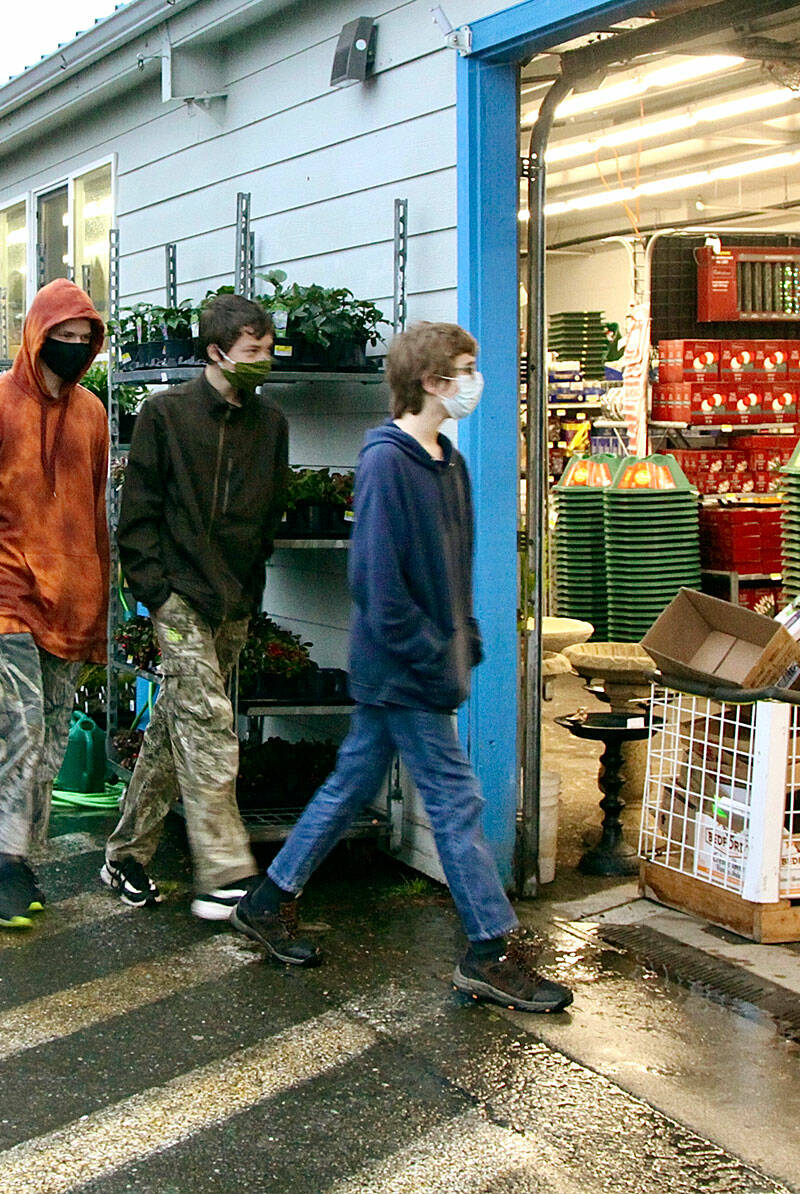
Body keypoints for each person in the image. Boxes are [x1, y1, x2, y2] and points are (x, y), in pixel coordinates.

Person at [229, 321, 573, 1015]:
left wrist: (466, 633)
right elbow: (376, 584)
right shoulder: (387, 462)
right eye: (465, 369)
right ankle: (490, 950)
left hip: (421, 664)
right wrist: (429, 652)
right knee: (456, 800)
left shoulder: (448, 459)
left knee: (351, 785)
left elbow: (456, 564)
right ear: (430, 380)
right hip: (402, 668)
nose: (476, 381)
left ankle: (269, 899)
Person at [100, 293, 288, 920]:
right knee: (207, 719)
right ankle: (224, 871)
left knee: (173, 729)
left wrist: (252, 584)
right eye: (252, 351)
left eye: (268, 348)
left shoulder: (272, 424)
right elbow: (139, 508)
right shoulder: (166, 413)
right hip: (177, 595)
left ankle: (126, 853)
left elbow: (272, 511)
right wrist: (154, 587)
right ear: (215, 353)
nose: (264, 360)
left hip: (233, 598)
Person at [0, 279, 109, 928]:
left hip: (71, 599)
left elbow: (95, 516)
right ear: (35, 337)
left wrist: (98, 609)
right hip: (5, 595)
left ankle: (23, 855)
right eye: (59, 337)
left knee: (54, 736)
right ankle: (4, 864)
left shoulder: (91, 415)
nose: (69, 348)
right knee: (21, 725)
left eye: (81, 339)